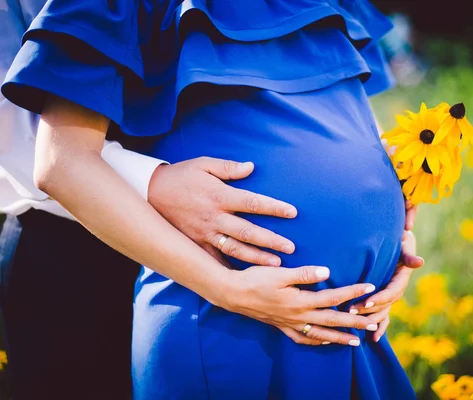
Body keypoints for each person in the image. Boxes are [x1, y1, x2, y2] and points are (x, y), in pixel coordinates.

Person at [2, 0, 424, 398]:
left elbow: (339, 109)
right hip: (187, 298)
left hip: (345, 322)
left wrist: (390, 223)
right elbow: (48, 154)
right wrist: (227, 285)